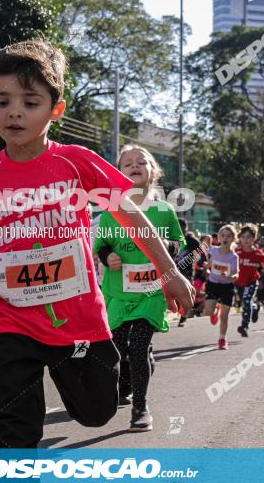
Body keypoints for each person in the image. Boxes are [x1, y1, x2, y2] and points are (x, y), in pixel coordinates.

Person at [0, 40, 193, 483]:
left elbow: (130, 215)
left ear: (55, 110)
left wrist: (169, 270)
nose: (15, 113)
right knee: (11, 428)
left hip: (77, 321)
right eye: (2, 102)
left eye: (30, 103)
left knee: (96, 411)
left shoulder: (76, 162)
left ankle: (116, 379)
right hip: (8, 318)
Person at [94, 145, 185, 432]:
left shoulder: (163, 210)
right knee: (119, 348)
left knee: (139, 344)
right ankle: (127, 383)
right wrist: (108, 256)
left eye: (141, 162)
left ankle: (140, 408)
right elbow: (100, 245)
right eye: (127, 163)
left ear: (153, 171)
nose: (134, 166)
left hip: (152, 292)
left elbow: (179, 244)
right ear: (117, 174)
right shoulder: (112, 210)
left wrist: (166, 247)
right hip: (119, 293)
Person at [204, 224, 239, 349]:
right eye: (223, 235)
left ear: (233, 239)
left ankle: (222, 339)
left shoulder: (234, 257)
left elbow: (236, 274)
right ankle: (215, 311)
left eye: (229, 236)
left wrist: (229, 277)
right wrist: (207, 266)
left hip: (227, 287)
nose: (226, 238)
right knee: (208, 312)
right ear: (218, 238)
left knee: (224, 317)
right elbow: (206, 265)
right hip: (213, 284)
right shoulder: (212, 250)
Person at [234, 224, 264, 338]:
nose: (245, 240)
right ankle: (255, 308)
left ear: (254, 238)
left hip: (252, 281)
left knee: (246, 301)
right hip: (239, 282)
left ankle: (244, 326)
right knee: (247, 303)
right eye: (243, 237)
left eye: (248, 237)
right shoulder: (237, 252)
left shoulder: (258, 253)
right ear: (240, 238)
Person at [174, 219, 203, 327]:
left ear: (186, 229)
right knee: (173, 295)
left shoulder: (192, 241)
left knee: (185, 295)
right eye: (178, 227)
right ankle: (179, 311)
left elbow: (201, 253)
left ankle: (183, 318)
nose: (180, 230)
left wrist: (201, 263)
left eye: (182, 228)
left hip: (187, 272)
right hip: (173, 271)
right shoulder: (171, 238)